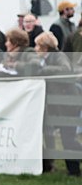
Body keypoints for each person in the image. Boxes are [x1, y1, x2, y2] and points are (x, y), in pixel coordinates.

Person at [35, 31, 81, 176]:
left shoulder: (58, 56)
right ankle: (73, 169)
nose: (35, 49)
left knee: (67, 138)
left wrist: (45, 70)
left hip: (68, 103)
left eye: (37, 45)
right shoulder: (47, 59)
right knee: (66, 138)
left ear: (45, 47)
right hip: (60, 104)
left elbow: (65, 69)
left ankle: (74, 170)